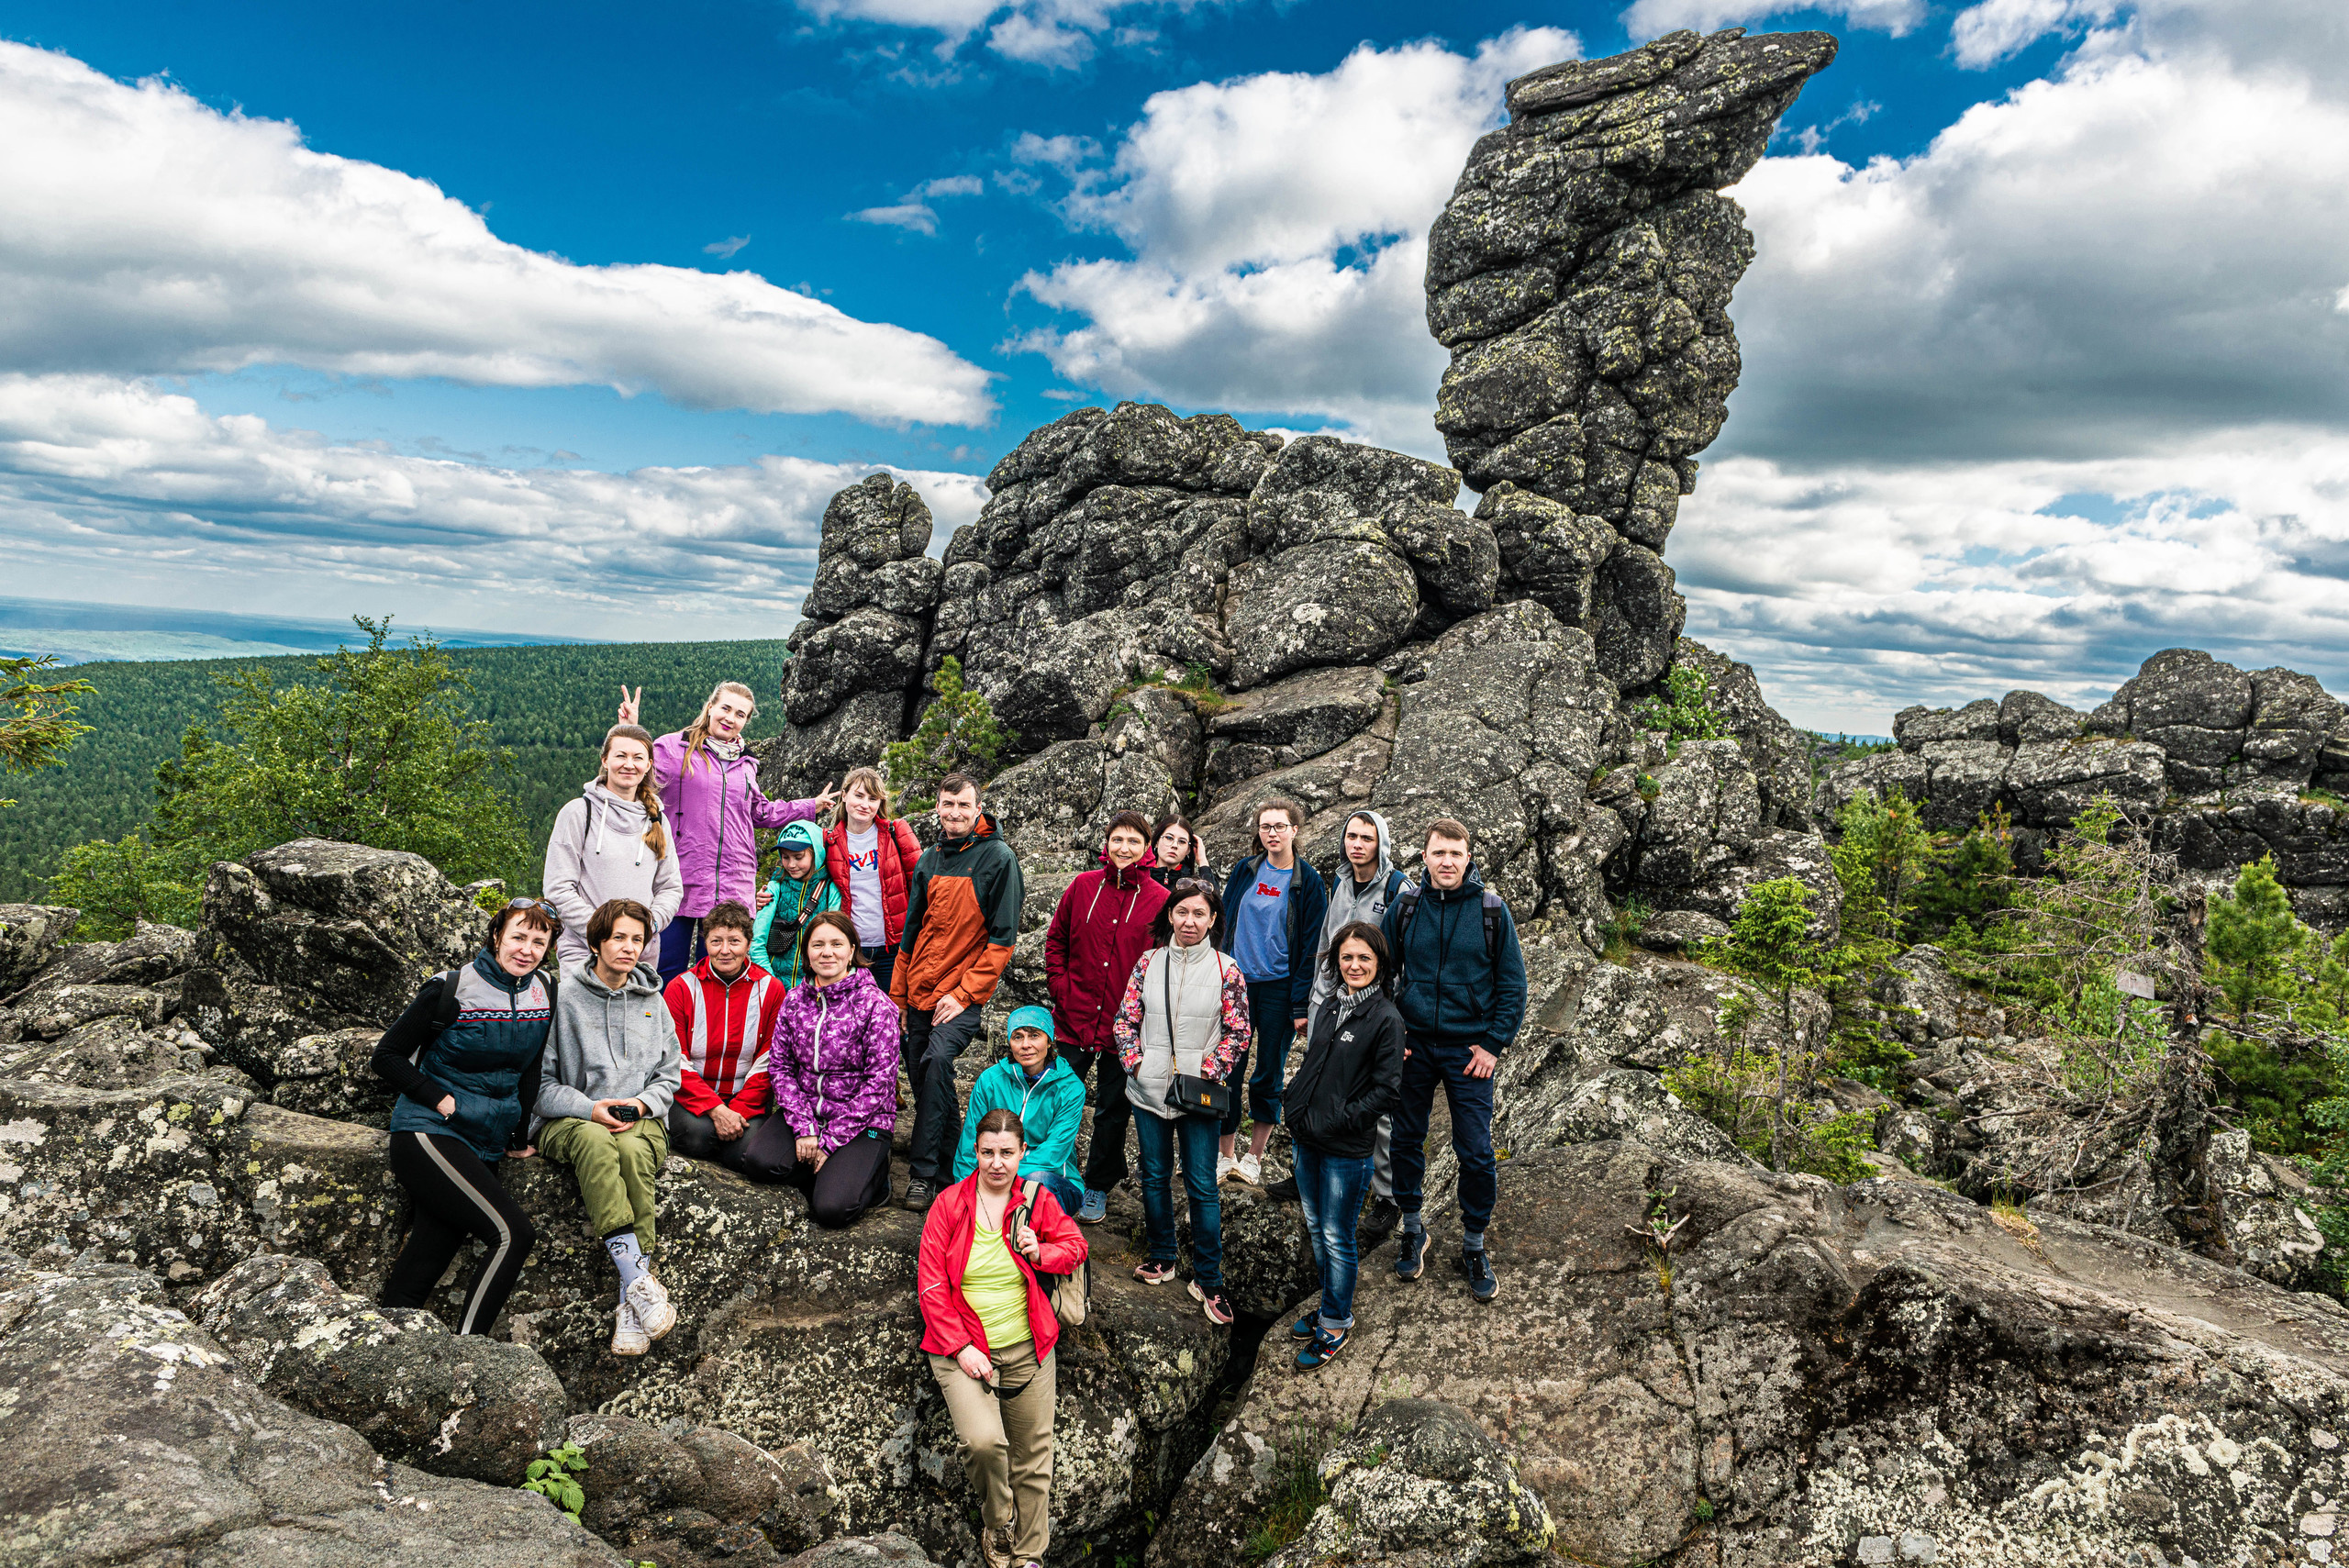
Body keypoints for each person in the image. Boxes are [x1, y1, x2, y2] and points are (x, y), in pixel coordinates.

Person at [372, 896, 556, 1335]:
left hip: (486, 1141)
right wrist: (435, 1096)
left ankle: (383, 1350)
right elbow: (387, 1056)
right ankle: (470, 1351)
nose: (526, 949)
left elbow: (529, 1069)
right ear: (496, 936)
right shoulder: (453, 987)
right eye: (518, 937)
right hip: (430, 1133)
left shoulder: (543, 989)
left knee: (426, 1260)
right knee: (513, 1235)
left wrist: (517, 1135)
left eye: (538, 941)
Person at [918, 1107, 1087, 1568]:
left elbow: (1076, 1246)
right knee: (984, 1443)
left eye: (1007, 1153)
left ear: (1022, 1153)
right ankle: (998, 1520)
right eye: (988, 1152)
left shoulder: (1035, 1200)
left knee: (1034, 1459)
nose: (997, 1162)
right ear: (975, 1152)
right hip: (962, 1349)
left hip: (1029, 1346)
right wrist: (962, 1347)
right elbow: (932, 1286)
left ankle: (1029, 1556)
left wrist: (1043, 1250)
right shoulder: (949, 1205)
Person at [1378, 818, 1527, 1305]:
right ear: (1424, 857)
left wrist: (1493, 1045)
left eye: (1455, 854)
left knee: (1476, 1152)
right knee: (1405, 1140)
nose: (1447, 862)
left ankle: (1474, 1243)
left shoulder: (1491, 911)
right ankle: (1413, 1227)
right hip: (1415, 1046)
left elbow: (1512, 986)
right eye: (1438, 853)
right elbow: (1381, 973)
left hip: (1469, 1054)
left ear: (1468, 858)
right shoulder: (1406, 908)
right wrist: (1393, 1032)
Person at [534, 897, 685, 1356]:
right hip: (573, 1116)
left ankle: (629, 1302)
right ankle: (639, 1279)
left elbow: (670, 1074)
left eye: (637, 939)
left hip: (639, 1116)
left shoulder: (653, 1001)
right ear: (597, 941)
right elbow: (540, 1084)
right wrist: (589, 1108)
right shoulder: (563, 997)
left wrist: (640, 1106)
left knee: (635, 1154)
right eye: (618, 937)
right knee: (600, 1147)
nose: (628, 947)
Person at [616, 682, 836, 981]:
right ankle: (666, 1029)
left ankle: (709, 1029)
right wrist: (630, 734)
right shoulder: (674, 747)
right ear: (710, 707)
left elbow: (760, 811)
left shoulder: (746, 764)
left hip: (733, 884)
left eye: (740, 714)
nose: (731, 718)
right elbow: (640, 778)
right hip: (679, 878)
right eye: (726, 709)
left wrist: (811, 805)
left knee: (719, 974)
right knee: (665, 971)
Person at [1113, 880, 1247, 1326]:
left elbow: (1238, 1032)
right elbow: (1126, 1019)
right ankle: (1163, 1256)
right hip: (1148, 1091)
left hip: (1198, 1096)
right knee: (1154, 1176)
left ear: (1213, 920)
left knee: (1202, 1186)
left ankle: (1209, 1278)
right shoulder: (1148, 962)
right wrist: (1137, 1064)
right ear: (1169, 915)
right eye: (1182, 912)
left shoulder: (1227, 970)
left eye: (1199, 914)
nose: (1190, 922)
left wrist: (1208, 1072)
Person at [1271, 808, 1408, 1244]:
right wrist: (1312, 1001)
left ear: (1381, 842)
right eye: (1352, 836)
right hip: (1329, 1002)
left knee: (1373, 1103)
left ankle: (1385, 1195)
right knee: (1314, 1083)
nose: (1358, 844)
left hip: (1373, 1008)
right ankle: (1304, 1172)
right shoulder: (1341, 880)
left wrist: (1394, 1022)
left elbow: (1402, 960)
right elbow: (1326, 945)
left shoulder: (1398, 888)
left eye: (1367, 838)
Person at [890, 772, 1024, 1213]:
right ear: (938, 808)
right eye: (948, 806)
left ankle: (922, 1176)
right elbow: (911, 933)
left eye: (964, 806)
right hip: (920, 991)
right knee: (927, 1078)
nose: (955, 813)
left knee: (936, 1062)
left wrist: (965, 995)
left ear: (977, 808)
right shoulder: (929, 859)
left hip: (960, 996)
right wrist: (900, 998)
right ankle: (952, 1172)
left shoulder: (999, 858)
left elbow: (1002, 941)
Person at [1281, 922, 1405, 1371]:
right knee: (1317, 1227)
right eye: (1347, 958)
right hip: (1308, 1137)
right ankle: (1330, 1303)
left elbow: (1387, 1091)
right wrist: (1293, 1103)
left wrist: (1340, 1120)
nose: (1354, 966)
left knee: (1338, 1235)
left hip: (1346, 1149)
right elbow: (1315, 1065)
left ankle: (1335, 1322)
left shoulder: (1386, 1019)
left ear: (1380, 965)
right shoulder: (1332, 1005)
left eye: (1364, 959)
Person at [1042, 812, 1168, 1223]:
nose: (1124, 848)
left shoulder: (1160, 900)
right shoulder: (1082, 887)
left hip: (1125, 1026)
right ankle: (1048, 1174)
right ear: (1107, 843)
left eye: (1134, 841)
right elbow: (1057, 939)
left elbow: (1163, 963)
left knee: (1113, 1110)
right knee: (1057, 1097)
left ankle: (1097, 1185)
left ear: (1147, 847)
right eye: (1117, 839)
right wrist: (1060, 987)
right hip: (1074, 1015)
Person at [1216, 797, 1326, 1184]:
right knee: (1229, 1068)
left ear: (1295, 830)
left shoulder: (1308, 881)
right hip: (1238, 984)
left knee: (1268, 1073)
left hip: (1279, 988)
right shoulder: (1245, 870)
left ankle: (1254, 1156)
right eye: (1266, 827)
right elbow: (1223, 920)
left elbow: (1312, 946)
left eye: (1280, 826)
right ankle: (1225, 1154)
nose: (1273, 833)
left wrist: (1300, 1004)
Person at [767, 911, 900, 1228]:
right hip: (808, 1113)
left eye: (837, 944)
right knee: (761, 1164)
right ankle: (829, 1171)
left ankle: (876, 1176)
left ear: (852, 950)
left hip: (863, 1120)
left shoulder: (876, 1004)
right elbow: (780, 1066)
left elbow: (879, 1083)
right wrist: (804, 1127)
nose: (827, 952)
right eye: (818, 945)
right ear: (807, 951)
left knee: (832, 1209)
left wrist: (830, 1141)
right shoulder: (794, 1000)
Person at [663, 899, 790, 1183]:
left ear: (748, 943)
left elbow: (770, 1060)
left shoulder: (771, 989)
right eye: (716, 941)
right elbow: (674, 1058)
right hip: (693, 1099)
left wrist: (736, 1112)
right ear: (704, 942)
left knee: (747, 1152)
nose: (725, 950)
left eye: (734, 941)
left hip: (745, 1098)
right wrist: (716, 1110)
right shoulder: (681, 988)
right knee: (698, 1137)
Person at [543, 723, 682, 974]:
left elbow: (670, 887)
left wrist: (647, 926)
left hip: (639, 955)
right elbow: (558, 887)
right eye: (621, 756)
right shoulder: (578, 813)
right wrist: (603, 931)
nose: (629, 764)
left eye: (638, 758)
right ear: (605, 760)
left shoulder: (657, 820)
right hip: (584, 952)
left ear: (648, 765)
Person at [953, 1006, 1086, 1215]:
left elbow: (1053, 1154)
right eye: (1018, 1037)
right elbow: (971, 1144)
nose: (1026, 1045)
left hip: (1054, 1180)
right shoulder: (990, 1081)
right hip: (993, 1176)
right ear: (1009, 1042)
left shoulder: (1070, 1088)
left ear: (1050, 1040)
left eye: (1035, 1035)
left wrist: (998, 1180)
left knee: (1034, 1184)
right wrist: (965, 1190)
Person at [823, 766, 923, 995]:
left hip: (894, 948)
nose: (865, 804)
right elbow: (800, 875)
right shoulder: (828, 842)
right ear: (845, 794)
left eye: (872, 798)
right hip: (851, 950)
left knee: (894, 1017)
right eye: (859, 795)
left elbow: (922, 885)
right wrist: (770, 893)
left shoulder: (897, 832)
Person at [750, 820, 841, 985]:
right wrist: (771, 984)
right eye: (785, 857)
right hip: (773, 984)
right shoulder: (774, 888)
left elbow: (835, 941)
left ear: (817, 853)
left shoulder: (831, 890)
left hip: (815, 987)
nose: (791, 865)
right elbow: (757, 942)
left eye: (799, 857)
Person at [1147, 809, 1211, 892]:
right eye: (1169, 838)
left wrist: (1202, 861)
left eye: (1182, 841)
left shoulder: (1192, 884)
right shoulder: (1140, 875)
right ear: (1156, 842)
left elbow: (1214, 901)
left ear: (1188, 849)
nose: (1174, 845)